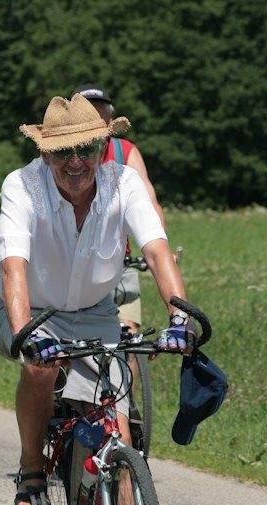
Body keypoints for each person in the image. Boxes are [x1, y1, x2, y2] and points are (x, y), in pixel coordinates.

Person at [0, 93, 193, 505]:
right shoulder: (21, 186)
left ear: (103, 146)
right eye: (63, 151)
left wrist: (180, 316)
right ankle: (30, 472)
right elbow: (13, 268)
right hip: (33, 310)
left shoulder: (124, 182)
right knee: (42, 367)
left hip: (96, 311)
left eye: (87, 148)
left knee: (117, 436)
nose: (76, 160)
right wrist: (27, 333)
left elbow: (157, 252)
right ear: (45, 153)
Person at [72, 84, 166, 334]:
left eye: (99, 115)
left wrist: (157, 244)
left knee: (129, 335)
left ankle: (128, 372)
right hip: (72, 263)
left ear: (109, 120)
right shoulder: (64, 156)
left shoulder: (124, 151)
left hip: (118, 261)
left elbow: (149, 202)